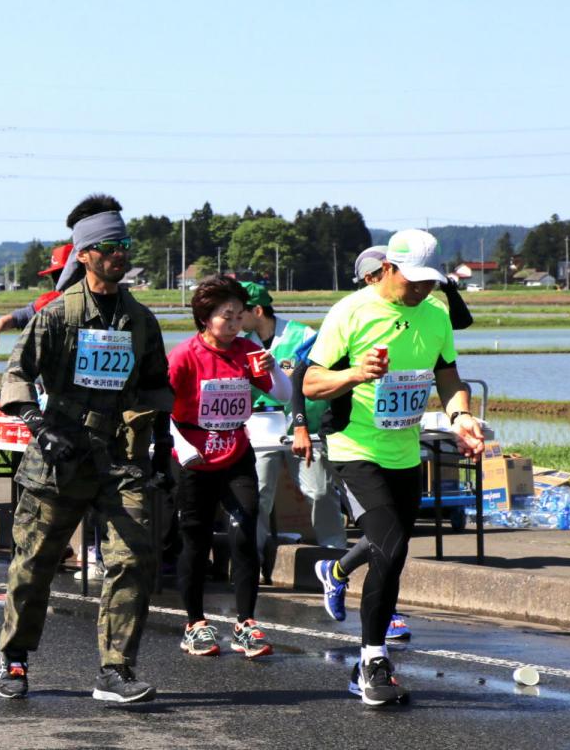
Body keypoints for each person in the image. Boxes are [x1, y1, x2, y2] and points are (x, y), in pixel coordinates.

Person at [0, 194, 173, 704]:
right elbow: (16, 376)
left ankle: (115, 670)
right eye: (110, 247)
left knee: (132, 561)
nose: (120, 254)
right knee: (34, 562)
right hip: (60, 456)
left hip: (121, 457)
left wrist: (162, 450)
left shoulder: (141, 320)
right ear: (86, 254)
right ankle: (14, 656)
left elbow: (157, 388)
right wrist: (38, 425)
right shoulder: (58, 315)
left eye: (125, 245)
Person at [303, 229, 485, 706]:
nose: (422, 288)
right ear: (387, 268)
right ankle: (371, 660)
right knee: (389, 544)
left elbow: (448, 377)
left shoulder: (436, 313)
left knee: (393, 553)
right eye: (413, 280)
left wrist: (461, 417)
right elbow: (311, 382)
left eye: (430, 280)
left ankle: (336, 573)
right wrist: (355, 373)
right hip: (354, 446)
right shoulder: (351, 312)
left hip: (404, 450)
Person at [168, 276, 288, 659]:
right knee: (196, 539)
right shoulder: (184, 355)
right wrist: (183, 447)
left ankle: (245, 623)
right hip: (195, 458)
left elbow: (283, 394)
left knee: (245, 530)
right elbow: (161, 407)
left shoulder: (247, 351)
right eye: (226, 316)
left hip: (236, 453)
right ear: (205, 318)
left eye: (239, 316)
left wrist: (274, 369)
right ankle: (195, 624)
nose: (235, 323)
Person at [240, 281, 347, 577]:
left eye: (240, 312)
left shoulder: (303, 336)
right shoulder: (243, 344)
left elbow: (318, 379)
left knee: (321, 490)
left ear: (257, 311)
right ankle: (252, 563)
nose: (235, 318)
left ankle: (336, 556)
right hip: (261, 430)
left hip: (303, 427)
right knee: (258, 494)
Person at [0, 244, 72, 347]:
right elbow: (17, 318)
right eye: (56, 275)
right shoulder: (49, 301)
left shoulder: (86, 300)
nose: (61, 280)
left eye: (64, 273)